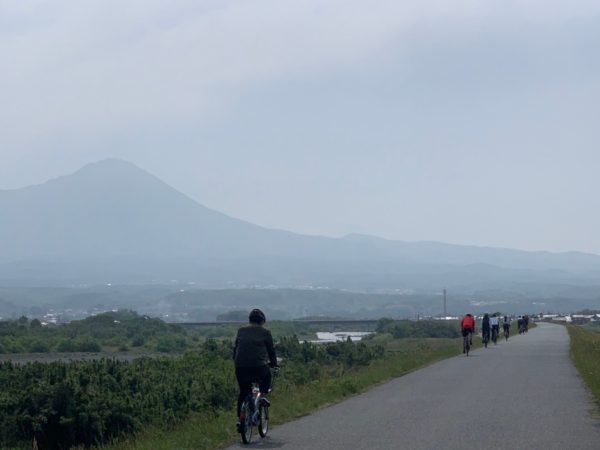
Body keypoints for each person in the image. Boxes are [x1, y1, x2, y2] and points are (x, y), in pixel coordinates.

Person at [233, 308, 278, 429]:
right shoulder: (265, 332)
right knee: (267, 375)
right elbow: (271, 351)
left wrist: (236, 362)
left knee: (243, 393)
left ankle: (240, 419)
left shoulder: (241, 331)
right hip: (258, 367)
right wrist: (274, 363)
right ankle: (262, 396)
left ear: (250, 320)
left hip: (240, 367)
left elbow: (236, 348)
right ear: (262, 321)